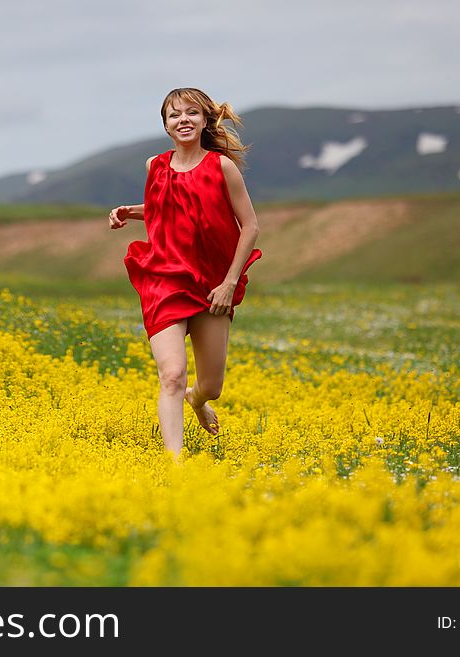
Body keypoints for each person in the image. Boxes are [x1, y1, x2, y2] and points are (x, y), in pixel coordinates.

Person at [108, 87, 262, 458]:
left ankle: (197, 401)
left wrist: (228, 283)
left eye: (191, 113)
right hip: (164, 279)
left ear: (205, 119)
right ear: (166, 126)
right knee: (172, 374)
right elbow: (168, 206)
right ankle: (175, 467)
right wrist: (131, 210)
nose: (183, 120)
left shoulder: (221, 167)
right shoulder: (155, 166)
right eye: (174, 115)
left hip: (212, 286)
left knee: (211, 386)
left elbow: (251, 226)